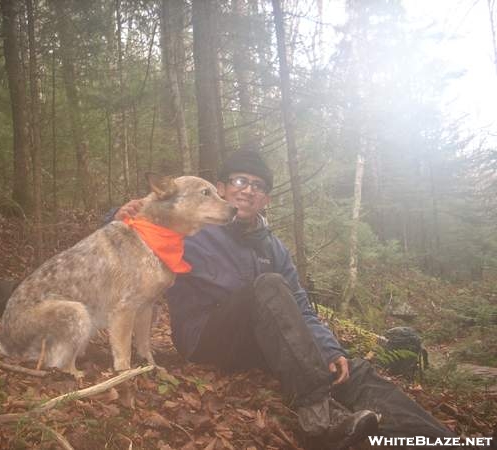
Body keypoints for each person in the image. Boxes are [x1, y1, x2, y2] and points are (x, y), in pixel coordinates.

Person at [114, 150, 457, 450]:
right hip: (207, 336)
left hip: (267, 338)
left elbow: (300, 305)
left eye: (258, 186)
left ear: (265, 199)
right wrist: (122, 215)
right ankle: (318, 415)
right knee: (268, 286)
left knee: (355, 370)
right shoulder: (191, 227)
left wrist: (330, 350)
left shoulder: (273, 247)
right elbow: (129, 235)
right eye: (239, 181)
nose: (248, 189)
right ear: (220, 188)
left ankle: (444, 441)